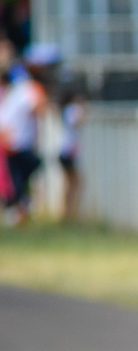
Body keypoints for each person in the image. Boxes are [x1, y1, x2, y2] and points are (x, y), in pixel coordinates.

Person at [0, 45, 54, 226]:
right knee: (28, 169)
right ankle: (18, 208)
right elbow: (41, 108)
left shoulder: (19, 88)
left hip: (10, 138)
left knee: (18, 176)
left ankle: (19, 209)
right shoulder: (31, 88)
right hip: (15, 140)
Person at [57, 90, 87, 221]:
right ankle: (69, 213)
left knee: (71, 183)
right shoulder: (71, 109)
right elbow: (76, 122)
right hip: (67, 152)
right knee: (75, 183)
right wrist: (84, 111)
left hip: (67, 152)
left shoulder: (67, 109)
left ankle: (68, 213)